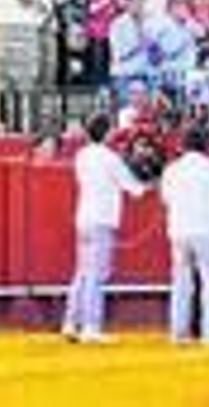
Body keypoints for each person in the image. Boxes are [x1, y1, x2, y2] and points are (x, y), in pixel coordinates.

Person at [61, 112, 147, 344]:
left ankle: (71, 322)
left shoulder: (82, 156)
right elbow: (132, 188)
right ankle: (91, 326)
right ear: (106, 132)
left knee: (81, 272)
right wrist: (147, 187)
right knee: (96, 274)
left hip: (84, 217)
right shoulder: (110, 158)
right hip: (102, 219)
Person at [159, 122, 209, 344]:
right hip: (206, 229)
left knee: (181, 281)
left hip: (178, 230)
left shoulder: (171, 169)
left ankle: (178, 332)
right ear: (205, 144)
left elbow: (165, 199)